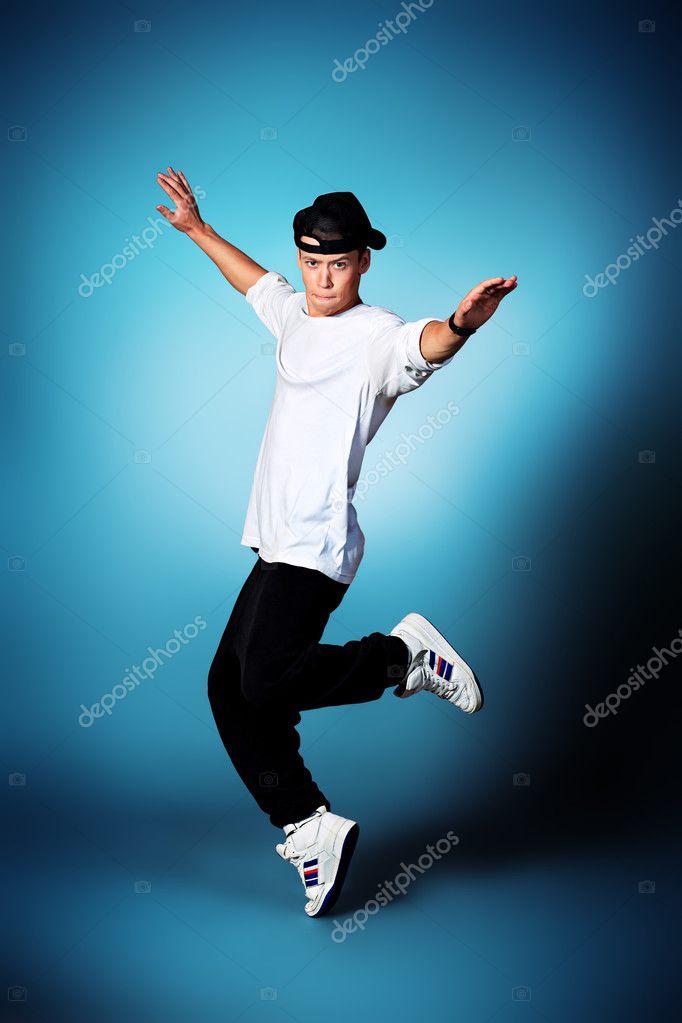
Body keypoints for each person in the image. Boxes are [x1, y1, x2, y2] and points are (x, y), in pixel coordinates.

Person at [155, 167, 518, 918]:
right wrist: (197, 230)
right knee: (228, 688)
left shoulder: (376, 336)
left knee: (266, 680)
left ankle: (402, 656)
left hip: (316, 543)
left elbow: (424, 347)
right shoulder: (296, 314)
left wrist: (463, 323)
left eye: (339, 264)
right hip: (274, 539)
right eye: (311, 261)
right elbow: (255, 283)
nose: (323, 278)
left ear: (364, 262)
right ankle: (307, 823)